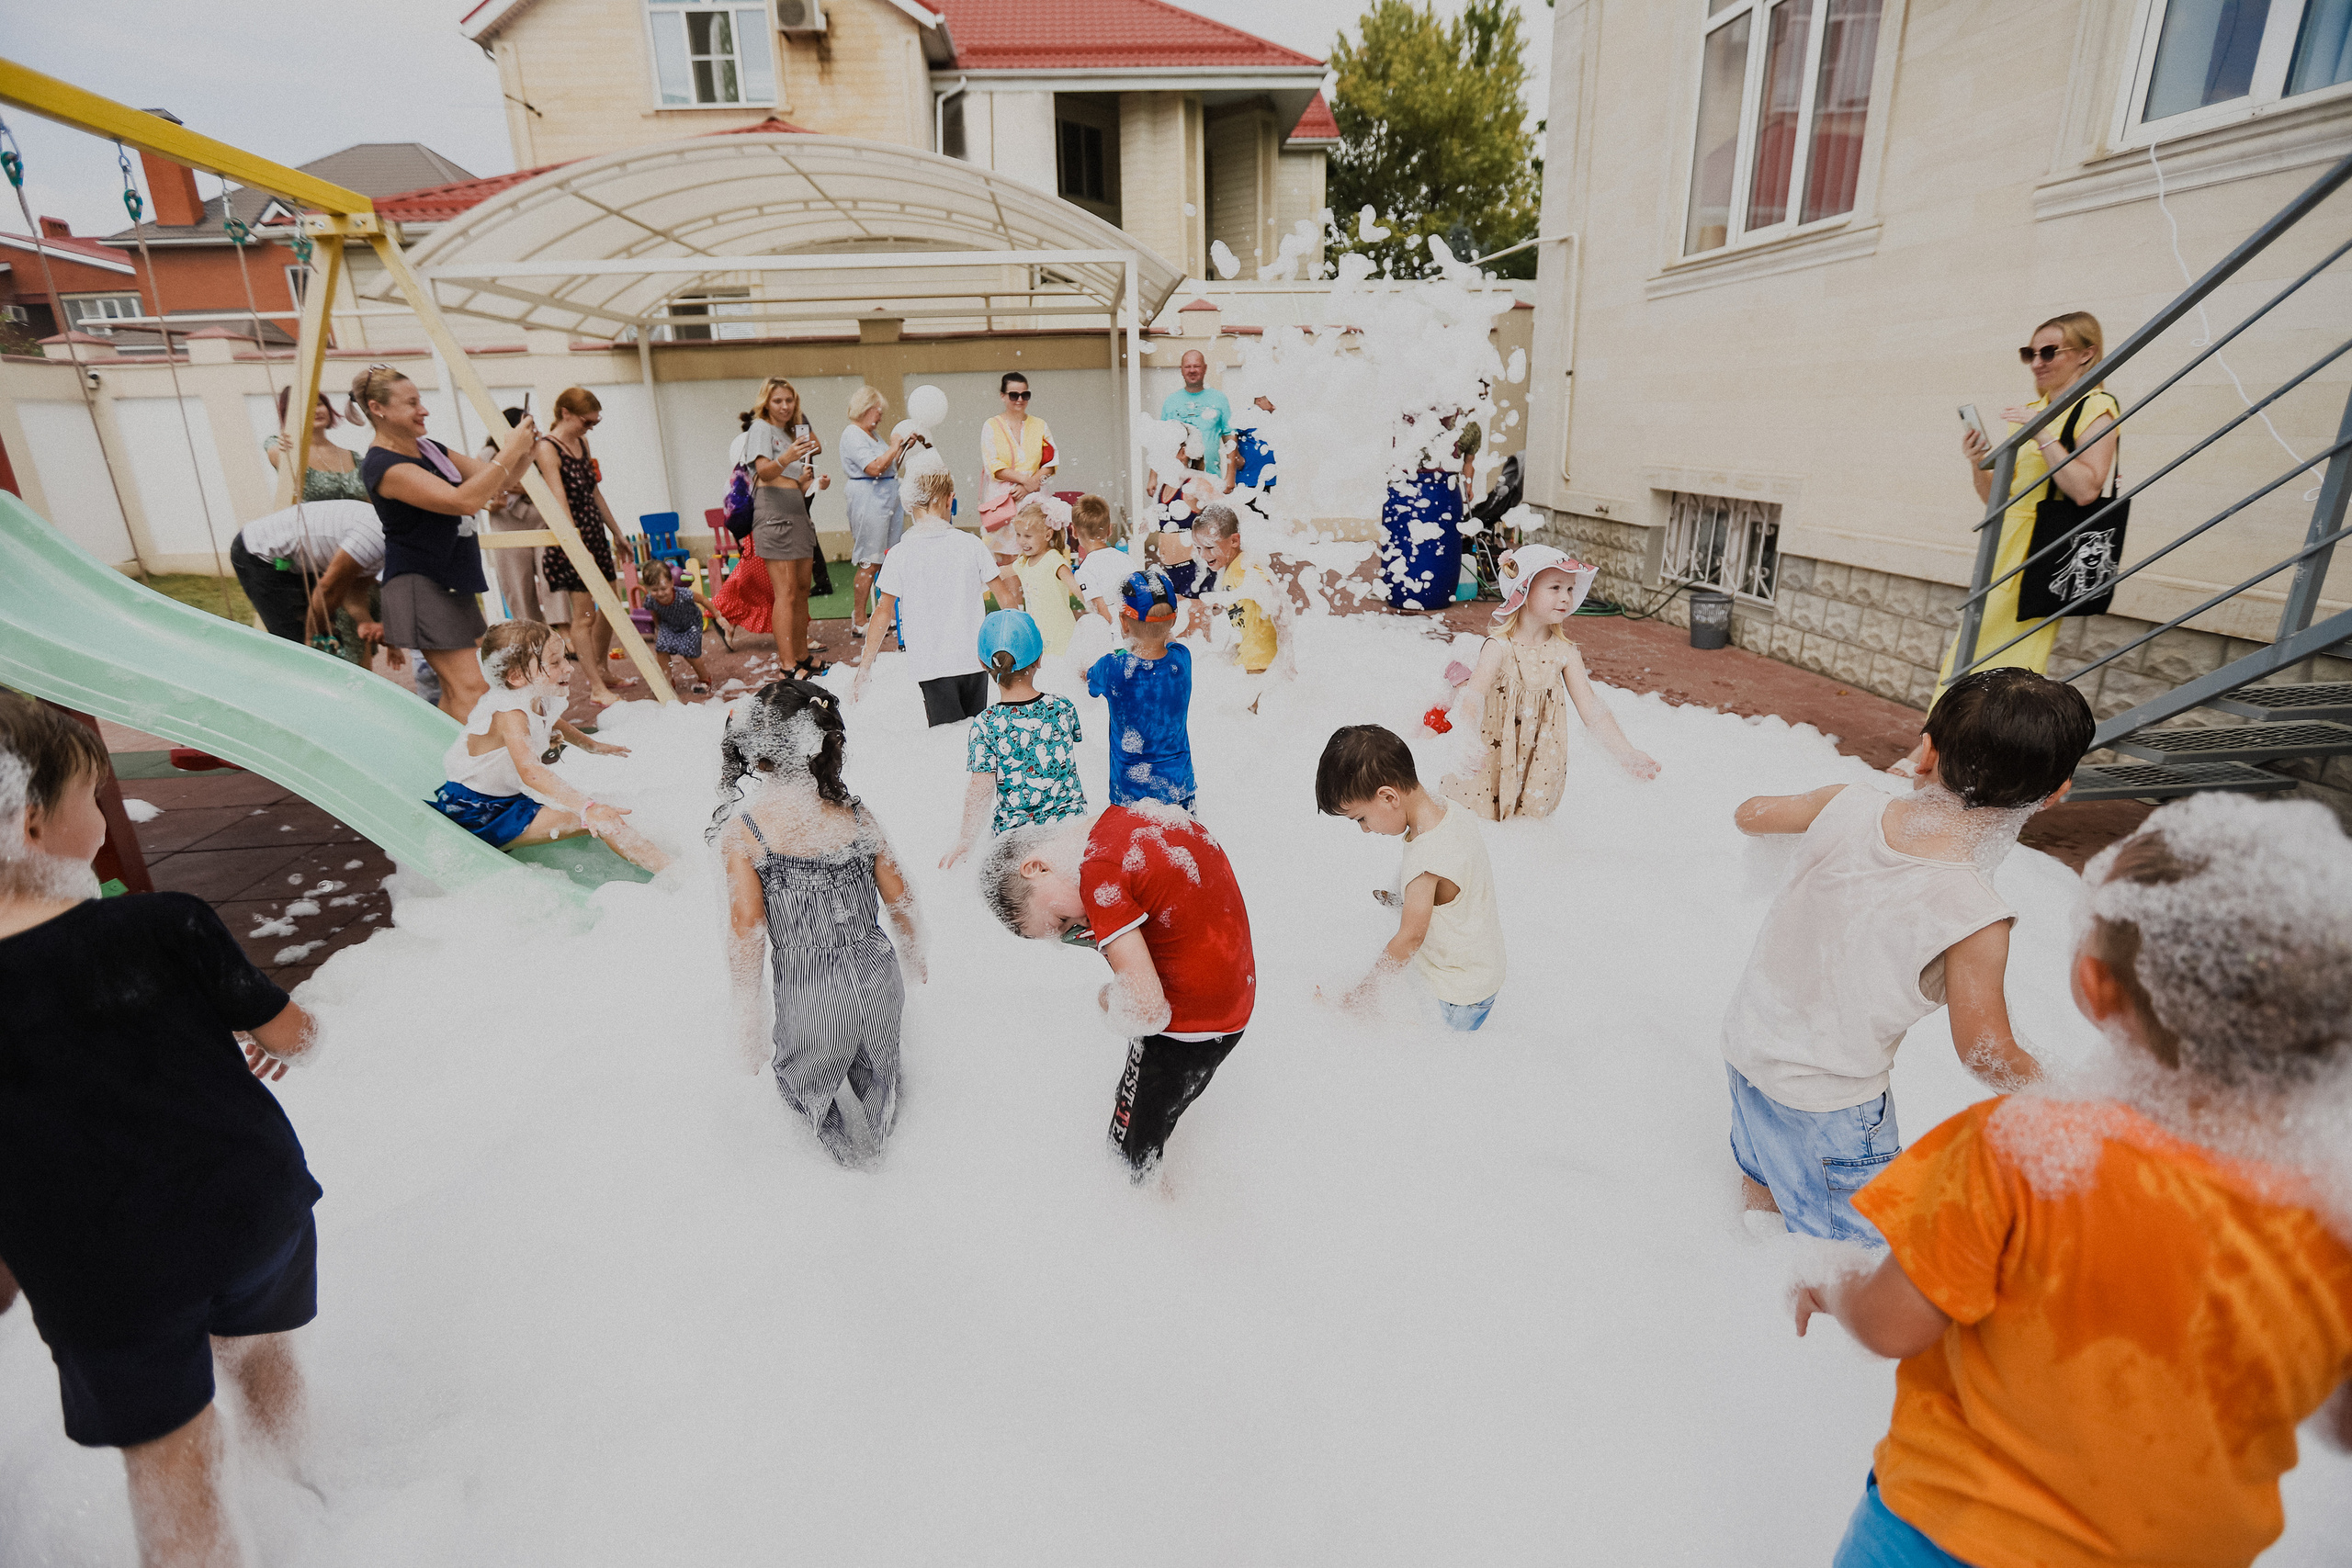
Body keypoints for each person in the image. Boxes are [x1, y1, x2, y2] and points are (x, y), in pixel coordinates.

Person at [1794, 793, 2352, 1568]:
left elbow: (1894, 1324)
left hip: (1944, 1529)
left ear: (2096, 986)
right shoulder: (2333, 1213)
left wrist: (1835, 1279)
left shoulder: (2023, 1148)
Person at [0, 692, 323, 1568]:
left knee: (169, 1462)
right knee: (260, 1351)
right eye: (93, 803)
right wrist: (288, 1033)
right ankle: (306, 1485)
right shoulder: (165, 921)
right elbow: (292, 1031)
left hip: (98, 1268)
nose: (106, 821)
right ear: (33, 826)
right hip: (248, 1206)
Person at [1721, 667, 2093, 1244]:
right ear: (2055, 795)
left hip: (1748, 1051)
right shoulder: (1975, 918)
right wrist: (2074, 1099)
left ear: (1925, 753)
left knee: (1764, 1182)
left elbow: (1750, 814)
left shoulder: (1846, 803)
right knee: (1857, 1253)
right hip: (1831, 1106)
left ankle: (1748, 1258)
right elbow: (1985, 1054)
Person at [978, 803, 1256, 1179]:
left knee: (1128, 1147)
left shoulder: (1098, 880)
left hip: (1190, 1025)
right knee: (1163, 1102)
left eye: (1061, 921)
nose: (1078, 925)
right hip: (1234, 998)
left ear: (1036, 867)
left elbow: (1145, 1008)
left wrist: (1106, 997)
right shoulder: (1124, 819)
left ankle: (1141, 1214)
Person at [715, 678, 923, 1168]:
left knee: (812, 1118)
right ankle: (893, 1172)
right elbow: (901, 900)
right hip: (876, 983)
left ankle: (842, 1188)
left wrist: (748, 1016)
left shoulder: (747, 829)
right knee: (887, 1103)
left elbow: (747, 929)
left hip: (810, 998)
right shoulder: (856, 813)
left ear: (756, 754)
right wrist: (917, 959)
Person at [1944, 310, 2120, 693]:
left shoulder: (2096, 406)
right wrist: (1978, 463)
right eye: (2030, 354)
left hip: (2043, 550)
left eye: (2049, 352)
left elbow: (2087, 488)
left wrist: (2042, 434)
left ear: (2086, 354)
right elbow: (1996, 500)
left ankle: (1942, 745)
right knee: (1968, 650)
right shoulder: (2033, 412)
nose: (2037, 363)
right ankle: (1937, 743)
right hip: (2005, 542)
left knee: (2004, 661)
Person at [355, 364, 537, 722]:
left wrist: (524, 449)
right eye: (411, 403)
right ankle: (473, 770)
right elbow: (464, 502)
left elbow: (497, 481)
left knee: (458, 691)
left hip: (450, 581)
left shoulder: (429, 449)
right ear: (379, 409)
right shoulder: (383, 465)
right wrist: (509, 450)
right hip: (419, 584)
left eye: (420, 401)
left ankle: (446, 768)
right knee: (473, 687)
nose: (423, 410)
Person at [425, 619, 669, 873]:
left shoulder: (535, 698)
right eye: (555, 663)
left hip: (505, 800)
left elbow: (555, 722)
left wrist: (592, 745)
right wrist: (588, 808)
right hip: (476, 812)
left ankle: (670, 868)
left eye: (565, 658)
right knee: (605, 819)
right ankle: (677, 874)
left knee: (602, 813)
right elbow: (531, 773)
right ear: (517, 676)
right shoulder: (511, 715)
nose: (569, 668)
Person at [1442, 545, 1660, 820]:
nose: (1566, 598)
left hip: (1539, 765)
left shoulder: (1565, 652)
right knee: (1482, 823)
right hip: (1492, 760)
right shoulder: (1499, 647)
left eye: (1570, 589)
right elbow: (1474, 698)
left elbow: (1593, 710)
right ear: (1524, 590)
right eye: (1555, 587)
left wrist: (1625, 752)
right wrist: (1465, 738)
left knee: (1526, 831)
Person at [1316, 724, 1505, 1031]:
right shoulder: (1446, 809)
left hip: (1457, 997)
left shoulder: (1425, 863)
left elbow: (1411, 937)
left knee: (1399, 1040)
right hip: (1482, 971)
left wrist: (1366, 994)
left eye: (1360, 818)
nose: (1364, 829)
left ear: (1389, 797)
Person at [851, 452, 1022, 726]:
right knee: (976, 735)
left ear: (911, 505)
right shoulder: (971, 544)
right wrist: (1019, 650)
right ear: (947, 500)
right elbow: (1006, 601)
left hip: (933, 667)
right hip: (976, 661)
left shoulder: (900, 553)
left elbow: (882, 613)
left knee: (945, 741)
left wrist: (864, 667)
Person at [941, 610, 1087, 870]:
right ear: (1040, 658)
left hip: (1017, 843)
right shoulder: (1063, 707)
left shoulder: (985, 724)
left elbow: (980, 790)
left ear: (982, 663)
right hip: (1071, 834)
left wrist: (965, 841)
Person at [531, 386, 637, 706]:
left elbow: (593, 493)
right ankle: (595, 687)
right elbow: (558, 499)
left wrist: (616, 533)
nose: (589, 428)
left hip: (593, 534)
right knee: (584, 616)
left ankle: (602, 669)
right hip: (570, 539)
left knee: (612, 604)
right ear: (565, 413)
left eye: (593, 423)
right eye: (586, 422)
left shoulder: (582, 442)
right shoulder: (547, 448)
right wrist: (575, 544)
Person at [741, 377, 831, 679]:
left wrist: (813, 481)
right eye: (778, 400)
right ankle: (787, 664)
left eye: (789, 401)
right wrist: (786, 457)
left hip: (797, 512)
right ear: (766, 402)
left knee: (803, 590)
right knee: (787, 592)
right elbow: (765, 472)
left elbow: (795, 480)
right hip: (773, 514)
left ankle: (803, 655)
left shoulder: (791, 431)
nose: (784, 406)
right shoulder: (761, 428)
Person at [1086, 570, 1196, 811]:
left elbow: (1090, 683)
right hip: (1178, 788)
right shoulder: (1182, 660)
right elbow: (1169, 642)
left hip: (1129, 794)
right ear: (1174, 620)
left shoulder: (1112, 668)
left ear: (1124, 623)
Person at [229, 497, 383, 653]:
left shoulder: (390, 545)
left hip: (298, 561)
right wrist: (310, 639)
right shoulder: (377, 538)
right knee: (297, 645)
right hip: (260, 552)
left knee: (329, 642)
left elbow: (354, 588)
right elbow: (328, 589)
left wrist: (364, 622)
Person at [840, 386, 912, 637]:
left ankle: (886, 613)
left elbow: (889, 465)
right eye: (878, 410)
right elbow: (874, 467)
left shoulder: (872, 435)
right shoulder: (853, 434)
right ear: (865, 408)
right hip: (868, 499)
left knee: (889, 559)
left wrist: (901, 448)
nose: (880, 415)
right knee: (870, 560)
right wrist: (894, 445)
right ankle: (859, 618)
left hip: (887, 497)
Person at [481, 404, 560, 627]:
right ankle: (532, 632)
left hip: (539, 517)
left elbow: (551, 484)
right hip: (506, 521)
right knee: (518, 583)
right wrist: (491, 503)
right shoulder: (489, 453)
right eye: (527, 425)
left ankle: (561, 630)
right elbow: (483, 486)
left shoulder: (541, 449)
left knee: (551, 576)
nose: (533, 430)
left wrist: (520, 487)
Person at [1186, 504, 1283, 675]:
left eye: (1209, 547)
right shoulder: (1232, 566)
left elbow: (1269, 592)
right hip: (1251, 654)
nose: (1202, 555)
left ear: (1234, 541)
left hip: (1260, 657)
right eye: (1198, 548)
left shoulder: (1244, 568)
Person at [979, 371, 1056, 556]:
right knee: (1006, 557)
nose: (1020, 399)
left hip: (1035, 501)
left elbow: (1051, 462)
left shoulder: (1040, 425)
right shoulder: (991, 425)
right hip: (1003, 502)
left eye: (1025, 395)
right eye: (1014, 395)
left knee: (1036, 554)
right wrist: (1024, 480)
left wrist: (1029, 486)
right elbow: (993, 465)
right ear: (1003, 396)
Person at [263, 386, 368, 503]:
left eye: (319, 404)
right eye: (306, 407)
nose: (316, 410)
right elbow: (276, 453)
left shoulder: (355, 457)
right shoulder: (283, 447)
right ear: (290, 415)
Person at [1005, 500, 1080, 657]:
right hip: (1039, 634)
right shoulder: (1023, 562)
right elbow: (999, 573)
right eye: (1018, 535)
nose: (1021, 541)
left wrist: (1094, 604)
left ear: (1047, 535)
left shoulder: (1053, 559)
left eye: (1027, 536)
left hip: (1061, 635)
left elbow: (1074, 586)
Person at [1160, 348, 1236, 489]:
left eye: (1197, 366)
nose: (1192, 370)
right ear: (1181, 369)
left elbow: (1229, 436)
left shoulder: (1219, 399)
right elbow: (1161, 442)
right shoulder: (1171, 401)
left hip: (1211, 480)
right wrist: (1153, 477)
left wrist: (1231, 475)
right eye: (1188, 366)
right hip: (1176, 481)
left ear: (1205, 368)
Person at [641, 559, 717, 696]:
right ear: (648, 588)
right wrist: (658, 627)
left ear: (671, 583)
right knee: (661, 648)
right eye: (655, 590)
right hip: (669, 625)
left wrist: (718, 615)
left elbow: (703, 600)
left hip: (691, 624)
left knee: (690, 653)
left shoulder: (683, 594)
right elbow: (654, 611)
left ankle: (705, 678)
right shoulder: (651, 599)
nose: (660, 593)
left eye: (663, 588)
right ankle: (667, 681)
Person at [1068, 494, 1131, 627]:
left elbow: (1104, 616)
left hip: (1116, 641)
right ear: (1110, 529)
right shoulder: (1126, 559)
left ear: (1074, 532)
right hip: (1136, 631)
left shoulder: (1085, 571)